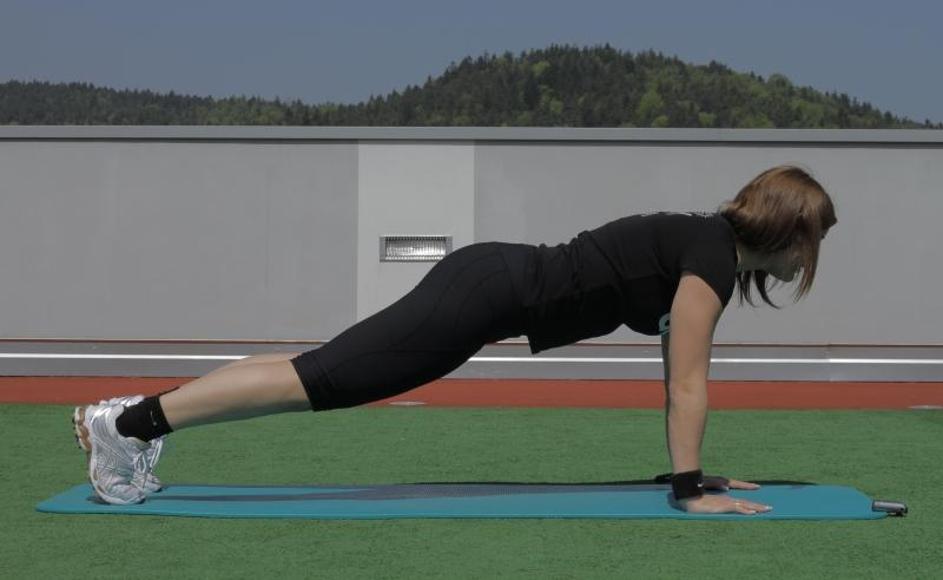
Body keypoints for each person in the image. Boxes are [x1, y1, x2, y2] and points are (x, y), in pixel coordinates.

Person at [73, 164, 836, 514]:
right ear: (789, 231)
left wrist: (692, 474)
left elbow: (676, 368)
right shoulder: (709, 258)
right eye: (814, 241)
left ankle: (132, 421)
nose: (810, 259)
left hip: (489, 284)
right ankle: (126, 424)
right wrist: (687, 490)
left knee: (319, 372)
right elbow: (689, 381)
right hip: (487, 293)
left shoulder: (705, 247)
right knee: (322, 379)